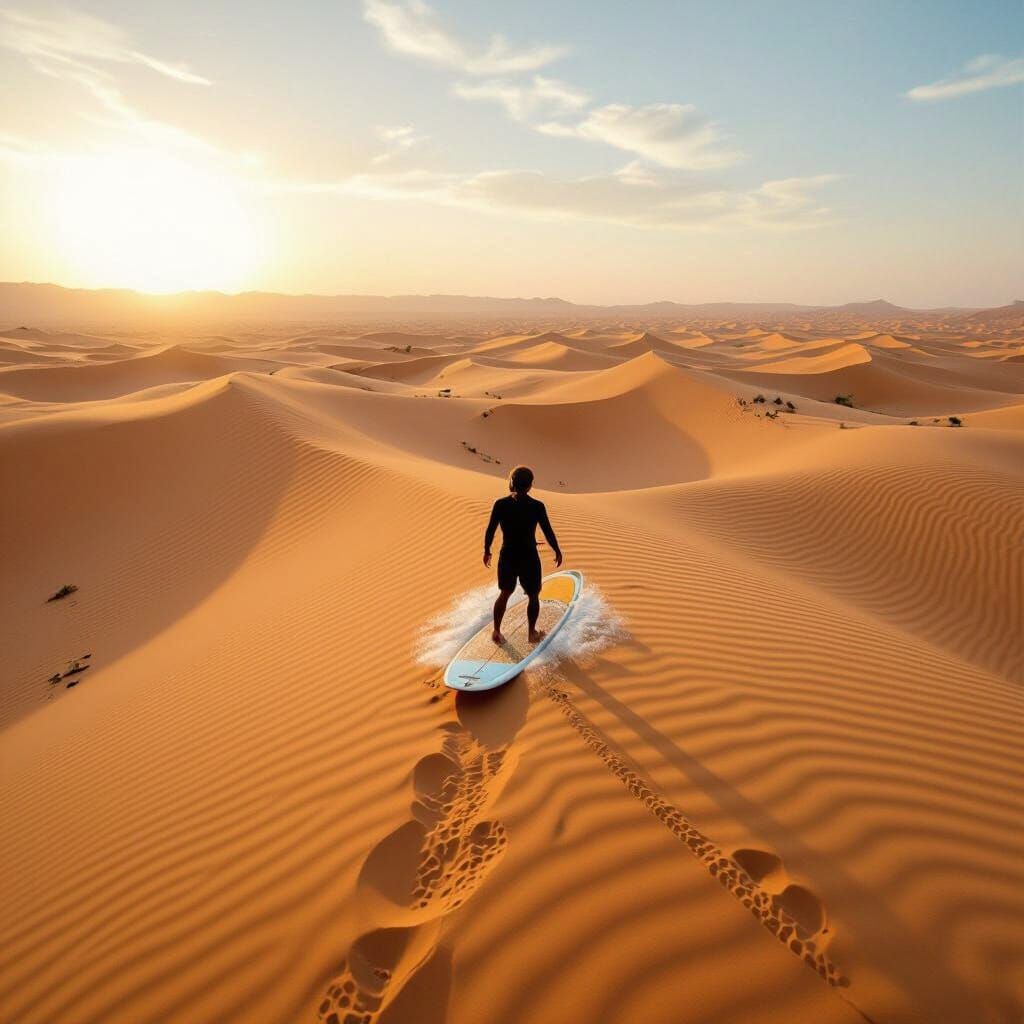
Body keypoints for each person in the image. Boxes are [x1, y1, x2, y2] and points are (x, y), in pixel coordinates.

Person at [483, 465, 563, 645]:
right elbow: (547, 531)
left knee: (505, 593)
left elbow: (490, 530)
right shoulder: (537, 506)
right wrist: (556, 549)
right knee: (533, 595)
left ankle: (496, 631)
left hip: (508, 555)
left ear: (512, 482)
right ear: (530, 485)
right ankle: (531, 633)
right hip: (528, 556)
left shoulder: (500, 504)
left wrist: (487, 550)